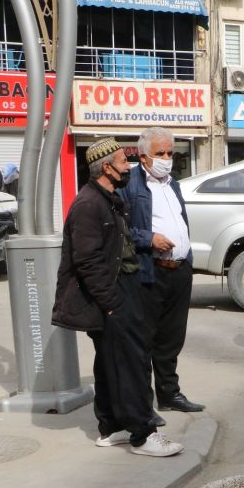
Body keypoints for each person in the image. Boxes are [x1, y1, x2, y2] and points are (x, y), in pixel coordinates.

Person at [52, 136, 183, 458]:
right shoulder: (88, 205)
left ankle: (112, 428)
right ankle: (143, 433)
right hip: (112, 296)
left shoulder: (109, 199)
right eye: (124, 162)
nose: (130, 166)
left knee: (111, 364)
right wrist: (111, 304)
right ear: (107, 168)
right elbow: (87, 261)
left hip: (123, 289)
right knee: (131, 364)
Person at [125, 127, 205, 418]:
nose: (167, 159)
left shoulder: (173, 185)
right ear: (144, 156)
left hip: (179, 271)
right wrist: (149, 239)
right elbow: (121, 231)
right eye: (161, 153)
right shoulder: (130, 185)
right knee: (145, 340)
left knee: (172, 338)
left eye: (171, 153)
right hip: (150, 271)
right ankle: (144, 405)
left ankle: (169, 394)